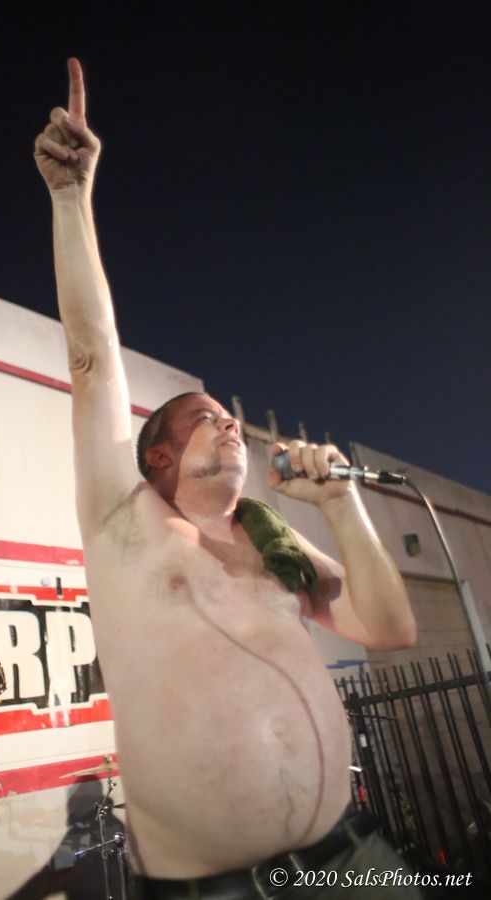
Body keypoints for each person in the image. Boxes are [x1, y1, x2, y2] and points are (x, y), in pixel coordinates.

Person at [34, 59, 421, 899]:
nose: (231, 424)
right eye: (207, 418)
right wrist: (71, 198)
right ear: (158, 456)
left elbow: (391, 629)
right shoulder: (122, 519)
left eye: (230, 418)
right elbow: (92, 354)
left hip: (351, 862)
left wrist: (342, 502)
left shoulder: (270, 539)